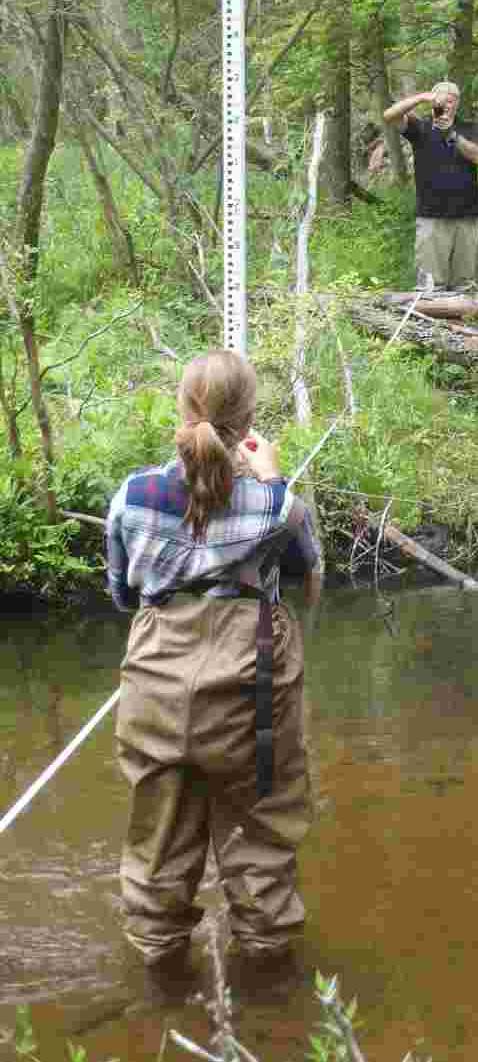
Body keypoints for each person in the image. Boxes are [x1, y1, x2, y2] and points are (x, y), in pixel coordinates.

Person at [106, 350, 323, 969]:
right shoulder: (276, 504)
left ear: (182, 407)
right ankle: (267, 995)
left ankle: (158, 985)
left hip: (155, 679)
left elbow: (122, 593)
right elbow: (307, 574)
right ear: (249, 419)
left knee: (157, 846)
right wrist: (274, 481)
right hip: (250, 686)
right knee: (261, 836)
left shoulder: (133, 494)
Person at [382, 80, 478, 292]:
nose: (446, 104)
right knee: (430, 288)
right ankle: (429, 325)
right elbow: (389, 116)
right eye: (441, 100)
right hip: (431, 217)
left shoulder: (467, 127)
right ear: (433, 101)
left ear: (457, 103)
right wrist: (420, 97)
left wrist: (451, 133)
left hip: (466, 217)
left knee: (464, 287)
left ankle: (462, 325)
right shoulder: (420, 127)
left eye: (451, 100)